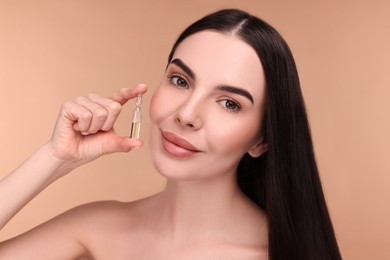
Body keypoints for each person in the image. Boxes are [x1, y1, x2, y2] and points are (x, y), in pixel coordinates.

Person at [0, 9, 342, 259]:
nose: (187, 115)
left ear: (262, 139)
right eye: (180, 81)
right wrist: (54, 157)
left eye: (229, 103)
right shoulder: (96, 227)